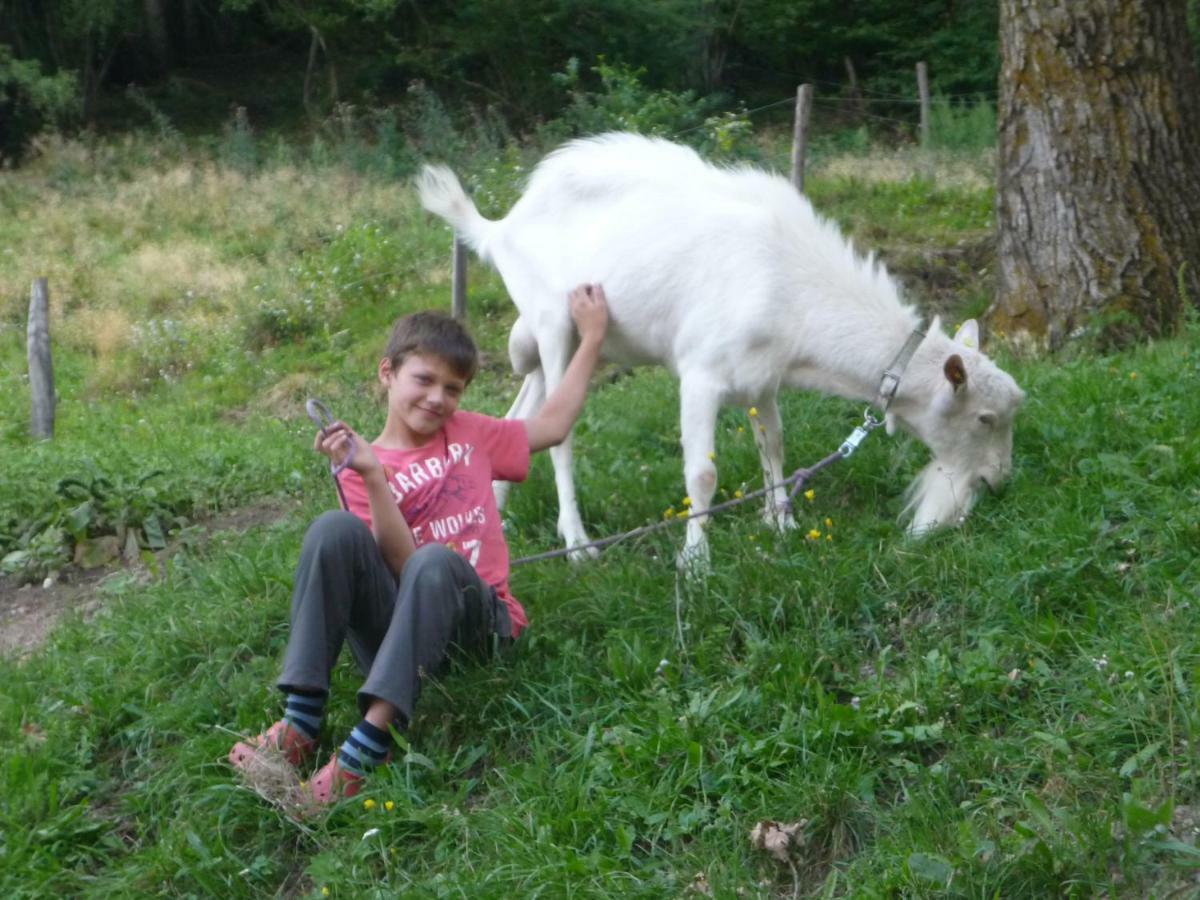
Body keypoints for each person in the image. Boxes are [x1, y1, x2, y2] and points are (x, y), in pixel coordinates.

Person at [229, 283, 609, 805]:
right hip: (405, 635)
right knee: (332, 530)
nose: (437, 398)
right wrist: (373, 475)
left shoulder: (470, 433)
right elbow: (401, 570)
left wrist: (591, 337)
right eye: (424, 379)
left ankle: (371, 743)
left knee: (435, 562)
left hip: (479, 629)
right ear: (387, 372)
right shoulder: (361, 466)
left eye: (453, 388)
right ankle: (300, 721)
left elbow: (553, 424)